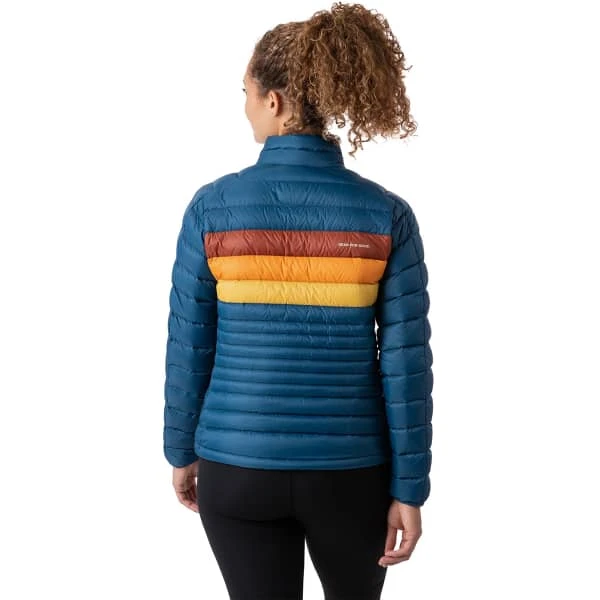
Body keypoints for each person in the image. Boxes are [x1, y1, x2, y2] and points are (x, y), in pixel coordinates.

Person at [162, 3, 433, 599]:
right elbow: (405, 365)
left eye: (246, 93)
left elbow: (190, 344)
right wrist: (410, 486)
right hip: (353, 476)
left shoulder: (212, 209)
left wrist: (180, 449)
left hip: (237, 468)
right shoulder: (386, 215)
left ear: (276, 101)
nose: (245, 106)